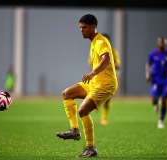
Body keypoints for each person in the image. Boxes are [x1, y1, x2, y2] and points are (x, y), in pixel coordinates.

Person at [56, 14, 118, 158]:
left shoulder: (101, 41)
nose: (81, 30)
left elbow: (106, 59)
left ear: (93, 27)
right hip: (95, 83)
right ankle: (74, 130)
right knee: (67, 93)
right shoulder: (94, 42)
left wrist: (92, 73)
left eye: (84, 28)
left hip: (105, 85)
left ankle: (91, 148)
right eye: (80, 28)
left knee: (83, 110)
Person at [88, 33, 121, 125]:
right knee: (92, 96)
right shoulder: (95, 50)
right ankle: (96, 105)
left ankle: (104, 118)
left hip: (108, 79)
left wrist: (109, 64)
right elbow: (90, 63)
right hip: (97, 78)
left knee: (108, 99)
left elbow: (118, 65)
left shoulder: (113, 52)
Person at [145, 36, 167, 129]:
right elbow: (148, 64)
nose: (161, 44)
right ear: (158, 43)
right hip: (155, 79)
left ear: (166, 44)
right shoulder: (153, 54)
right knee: (154, 99)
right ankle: (155, 104)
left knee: (164, 99)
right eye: (160, 42)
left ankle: (161, 120)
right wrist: (147, 74)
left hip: (165, 80)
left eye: (163, 42)